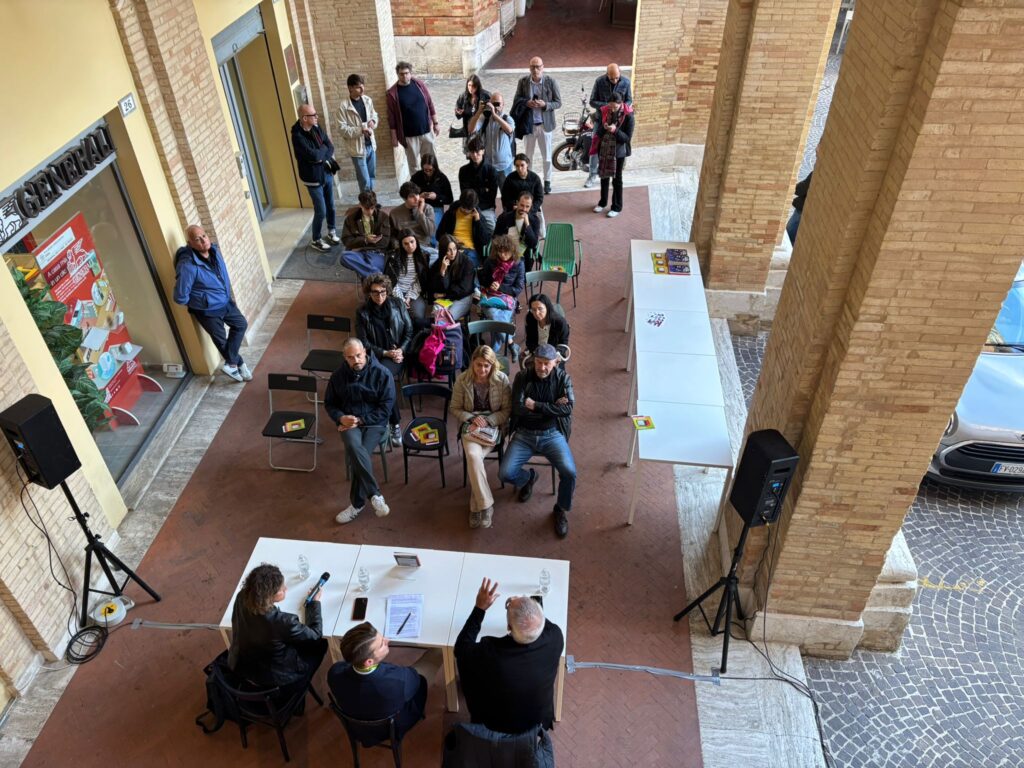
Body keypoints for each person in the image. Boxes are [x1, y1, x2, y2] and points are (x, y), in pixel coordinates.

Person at [454, 578, 564, 734]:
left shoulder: (490, 655)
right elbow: (540, 623)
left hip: (492, 726)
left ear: (508, 627)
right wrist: (526, 605)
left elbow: (461, 648)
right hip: (536, 723)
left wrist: (480, 608)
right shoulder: (555, 638)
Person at [500, 344, 575, 538]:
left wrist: (536, 406)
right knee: (505, 473)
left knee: (569, 472)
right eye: (539, 363)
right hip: (524, 434)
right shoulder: (522, 377)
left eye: (546, 364)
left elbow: (568, 408)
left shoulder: (563, 379)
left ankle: (560, 509)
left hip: (552, 434)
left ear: (555, 363)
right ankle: (529, 478)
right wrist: (551, 408)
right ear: (534, 361)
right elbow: (517, 408)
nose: (542, 368)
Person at [228, 563, 327, 704]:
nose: (286, 589)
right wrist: (314, 604)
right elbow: (315, 635)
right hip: (278, 678)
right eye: (281, 589)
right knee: (322, 644)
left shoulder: (242, 596)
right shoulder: (284, 622)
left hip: (241, 666)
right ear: (268, 597)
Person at [329, 622, 443, 742]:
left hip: (357, 728)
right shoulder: (395, 681)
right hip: (390, 727)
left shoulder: (334, 672)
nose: (387, 640)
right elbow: (416, 680)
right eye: (382, 644)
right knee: (436, 654)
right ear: (369, 662)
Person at [324, 338, 394, 524]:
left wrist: (362, 420)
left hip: (374, 423)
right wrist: (340, 418)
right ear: (344, 358)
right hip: (349, 421)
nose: (356, 360)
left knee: (358, 454)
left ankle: (356, 504)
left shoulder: (382, 373)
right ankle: (375, 495)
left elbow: (386, 408)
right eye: (351, 357)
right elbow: (330, 403)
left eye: (359, 355)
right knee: (356, 449)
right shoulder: (338, 376)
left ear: (365, 352)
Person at [174, 225, 251, 383]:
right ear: (190, 243)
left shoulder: (214, 251)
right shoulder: (188, 265)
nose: (203, 240)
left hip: (225, 302)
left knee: (241, 324)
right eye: (197, 239)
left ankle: (233, 363)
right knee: (221, 340)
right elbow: (180, 296)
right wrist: (202, 301)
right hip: (207, 310)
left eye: (204, 236)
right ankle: (238, 364)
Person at [451, 346, 512, 529]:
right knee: (473, 456)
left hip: (493, 428)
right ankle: (485, 505)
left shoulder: (502, 380)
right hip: (471, 427)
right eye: (479, 365)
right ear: (472, 363)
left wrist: (490, 420)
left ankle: (476, 506)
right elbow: (454, 408)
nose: (482, 370)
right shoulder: (462, 380)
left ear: (493, 365)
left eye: (487, 366)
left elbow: (507, 410)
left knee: (473, 459)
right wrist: (471, 418)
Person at [355, 273, 413, 448]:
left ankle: (385, 421)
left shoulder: (398, 304)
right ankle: (394, 422)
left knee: (382, 377)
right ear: (368, 293)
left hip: (397, 355)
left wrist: (401, 350)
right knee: (382, 378)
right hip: (376, 356)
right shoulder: (362, 312)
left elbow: (409, 332)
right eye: (374, 292)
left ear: (387, 291)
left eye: (382, 292)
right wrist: (386, 353)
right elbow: (363, 343)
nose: (379, 296)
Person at [291, 103, 340, 253]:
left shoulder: (316, 127)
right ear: (305, 118)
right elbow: (314, 155)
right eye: (314, 115)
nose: (317, 117)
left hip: (325, 172)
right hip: (312, 178)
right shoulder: (298, 136)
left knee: (331, 206)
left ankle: (331, 231)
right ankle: (316, 239)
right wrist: (320, 153)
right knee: (321, 210)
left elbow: (329, 147)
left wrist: (321, 154)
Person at [513, 57, 561, 195]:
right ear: (529, 68)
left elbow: (558, 102)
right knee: (528, 156)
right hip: (529, 126)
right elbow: (517, 99)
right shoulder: (523, 82)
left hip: (545, 125)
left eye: (538, 66)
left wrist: (545, 105)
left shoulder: (551, 82)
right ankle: (529, 181)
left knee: (546, 157)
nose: (535, 70)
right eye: (533, 67)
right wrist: (526, 102)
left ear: (543, 67)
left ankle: (547, 181)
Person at [386, 61, 439, 176]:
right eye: (401, 74)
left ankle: (433, 185)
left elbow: (430, 103)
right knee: (414, 166)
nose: (404, 76)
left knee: (431, 162)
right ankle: (418, 189)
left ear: (410, 73)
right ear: (397, 74)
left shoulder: (419, 85)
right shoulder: (392, 93)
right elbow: (392, 118)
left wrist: (436, 123)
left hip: (426, 132)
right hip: (409, 137)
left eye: (406, 73)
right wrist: (394, 137)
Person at [585, 64, 633, 188]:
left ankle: (617, 174)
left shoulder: (626, 82)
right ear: (607, 75)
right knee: (595, 145)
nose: (615, 80)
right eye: (612, 78)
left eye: (617, 78)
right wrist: (608, 106)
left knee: (620, 145)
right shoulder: (599, 81)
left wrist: (618, 108)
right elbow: (592, 101)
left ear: (620, 73)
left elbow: (629, 100)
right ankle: (592, 175)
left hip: (619, 120)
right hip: (601, 119)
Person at [478, 235, 525, 356]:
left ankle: (492, 353)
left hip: (508, 298)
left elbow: (518, 289)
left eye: (506, 252)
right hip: (490, 296)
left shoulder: (519, 264)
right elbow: (482, 279)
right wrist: (490, 283)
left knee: (496, 321)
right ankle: (510, 342)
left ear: (512, 251)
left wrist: (501, 287)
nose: (503, 255)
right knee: (495, 315)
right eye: (500, 252)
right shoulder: (490, 261)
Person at [591, 93, 634, 219]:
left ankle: (616, 207)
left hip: (619, 152)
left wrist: (615, 130)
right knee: (604, 176)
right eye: (610, 107)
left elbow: (626, 138)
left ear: (621, 104)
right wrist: (604, 128)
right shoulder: (605, 111)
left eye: (615, 107)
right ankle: (602, 203)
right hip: (604, 148)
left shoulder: (629, 116)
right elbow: (599, 132)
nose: (612, 109)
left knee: (617, 179)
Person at [337, 73, 378, 193]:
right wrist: (360, 130)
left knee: (371, 175)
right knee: (364, 179)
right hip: (357, 149)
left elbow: (374, 114)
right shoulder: (343, 107)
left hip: (370, 144)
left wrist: (373, 121)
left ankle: (370, 201)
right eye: (358, 87)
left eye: (363, 86)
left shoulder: (367, 100)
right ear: (350, 88)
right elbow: (342, 129)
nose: (362, 89)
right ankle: (366, 203)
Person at [341, 190, 392, 278]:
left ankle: (371, 276)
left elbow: (385, 242)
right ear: (360, 205)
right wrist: (365, 239)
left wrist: (363, 244)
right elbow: (346, 240)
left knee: (366, 270)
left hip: (376, 253)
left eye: (372, 208)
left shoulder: (384, 217)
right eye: (366, 209)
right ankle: (377, 275)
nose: (370, 212)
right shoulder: (350, 219)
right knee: (344, 257)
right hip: (359, 253)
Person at [468, 90, 516, 185]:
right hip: (488, 165)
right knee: (488, 195)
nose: (496, 106)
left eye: (498, 104)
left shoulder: (507, 119)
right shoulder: (484, 118)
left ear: (503, 105)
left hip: (504, 165)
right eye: (493, 104)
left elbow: (509, 130)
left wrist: (495, 115)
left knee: (507, 194)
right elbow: (471, 129)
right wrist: (478, 112)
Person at [386, 229, 433, 324]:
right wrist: (402, 299)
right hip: (396, 291)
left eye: (412, 242)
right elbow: (391, 281)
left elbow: (419, 281)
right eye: (406, 243)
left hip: (413, 292)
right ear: (402, 245)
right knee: (395, 317)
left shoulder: (423, 256)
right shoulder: (394, 258)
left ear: (416, 241)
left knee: (419, 316)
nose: (410, 246)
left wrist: (409, 297)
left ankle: (416, 337)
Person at [425, 234, 476, 320]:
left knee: (447, 317)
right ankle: (438, 332)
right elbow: (433, 287)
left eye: (455, 249)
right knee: (437, 316)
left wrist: (445, 294)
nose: (453, 253)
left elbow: (464, 289)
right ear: (443, 251)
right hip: (445, 298)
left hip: (462, 298)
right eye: (449, 250)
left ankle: (453, 333)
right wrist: (442, 272)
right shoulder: (439, 263)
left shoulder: (467, 263)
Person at [458, 136, 500, 239]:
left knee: (492, 229)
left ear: (483, 151)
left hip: (486, 208)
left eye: (477, 152)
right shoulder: (463, 171)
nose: (475, 155)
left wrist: (473, 191)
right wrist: (483, 190)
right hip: (468, 208)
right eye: (472, 152)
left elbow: (491, 196)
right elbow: (465, 194)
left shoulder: (491, 171)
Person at [437, 189, 490, 268]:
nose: (465, 211)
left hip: (471, 250)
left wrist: (478, 222)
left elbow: (485, 241)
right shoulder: (451, 213)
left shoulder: (479, 217)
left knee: (468, 269)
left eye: (468, 210)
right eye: (463, 208)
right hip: (454, 249)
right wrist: (451, 239)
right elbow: (438, 235)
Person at [411, 153, 454, 242]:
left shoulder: (442, 178)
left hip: (436, 208)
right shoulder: (416, 177)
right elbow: (408, 194)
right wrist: (419, 196)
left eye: (430, 170)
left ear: (435, 168)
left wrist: (437, 197)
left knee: (433, 230)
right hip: (419, 207)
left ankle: (433, 248)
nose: (428, 173)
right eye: (425, 170)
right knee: (415, 228)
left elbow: (449, 198)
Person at [493, 191, 541, 268]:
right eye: (522, 205)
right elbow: (496, 237)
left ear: (531, 206)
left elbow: (533, 243)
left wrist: (527, 225)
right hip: (504, 253)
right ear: (517, 203)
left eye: (527, 206)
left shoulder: (534, 221)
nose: (524, 209)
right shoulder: (504, 218)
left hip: (523, 256)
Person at [389, 181, 436, 252]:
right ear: (404, 199)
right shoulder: (394, 213)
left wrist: (420, 212)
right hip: (404, 248)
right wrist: (398, 247)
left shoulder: (427, 208)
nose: (416, 198)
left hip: (424, 247)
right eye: (411, 196)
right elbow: (392, 235)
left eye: (417, 194)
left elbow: (430, 232)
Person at [455, 75, 490, 145]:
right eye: (469, 85)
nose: (471, 88)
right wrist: (459, 113)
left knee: (481, 153)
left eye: (473, 86)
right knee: (469, 152)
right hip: (468, 130)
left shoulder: (485, 96)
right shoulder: (463, 96)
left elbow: (489, 114)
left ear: (477, 86)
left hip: (481, 131)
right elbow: (457, 112)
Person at [787, 170, 813, 244]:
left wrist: (794, 186)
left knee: (789, 234)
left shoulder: (818, 173)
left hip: (803, 208)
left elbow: (801, 189)